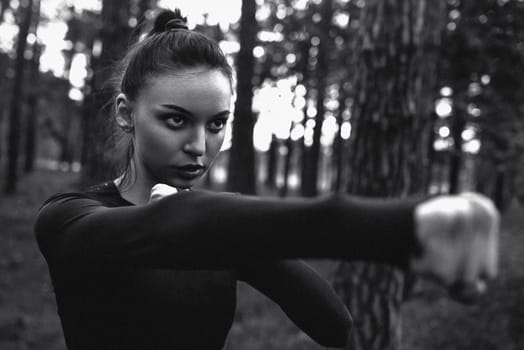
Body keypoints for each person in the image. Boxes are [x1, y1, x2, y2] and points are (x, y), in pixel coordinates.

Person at [34, 8, 500, 350]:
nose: (199, 145)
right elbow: (159, 232)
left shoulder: (224, 233)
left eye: (216, 124)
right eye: (176, 121)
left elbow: (334, 324)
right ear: (125, 114)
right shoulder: (68, 219)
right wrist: (401, 228)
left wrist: (243, 242)